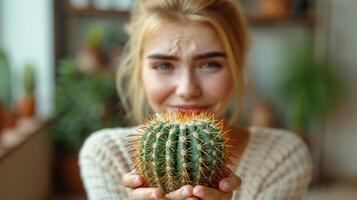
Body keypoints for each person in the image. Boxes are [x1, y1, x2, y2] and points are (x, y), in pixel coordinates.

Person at [79, 0, 313, 199]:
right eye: (163, 65)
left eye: (210, 64)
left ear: (236, 67)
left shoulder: (282, 156)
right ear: (139, 70)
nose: (187, 89)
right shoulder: (106, 155)